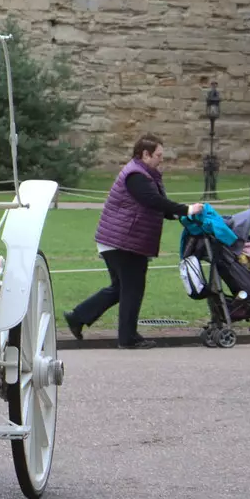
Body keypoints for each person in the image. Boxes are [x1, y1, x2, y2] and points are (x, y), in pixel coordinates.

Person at [65, 135, 203, 351]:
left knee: (121, 288)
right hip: (124, 242)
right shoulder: (136, 175)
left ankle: (78, 316)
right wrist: (185, 209)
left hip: (118, 241)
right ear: (145, 154)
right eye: (158, 156)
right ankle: (127, 338)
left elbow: (154, 205)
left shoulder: (141, 173)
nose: (161, 160)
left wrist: (177, 216)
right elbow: (152, 200)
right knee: (132, 289)